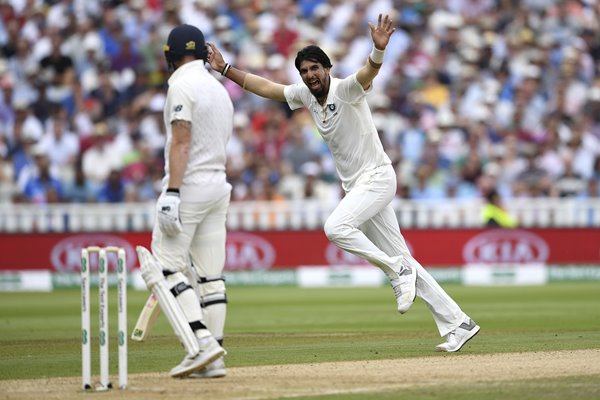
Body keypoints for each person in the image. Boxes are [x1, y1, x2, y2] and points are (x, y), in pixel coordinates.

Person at [208, 13, 479, 352]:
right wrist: (225, 68)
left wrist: (377, 51)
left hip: (378, 178)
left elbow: (368, 73)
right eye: (304, 72)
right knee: (404, 259)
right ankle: (459, 322)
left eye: (314, 69)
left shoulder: (346, 89)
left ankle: (396, 270)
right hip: (360, 188)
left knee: (335, 227)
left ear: (327, 68)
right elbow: (267, 88)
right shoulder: (307, 97)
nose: (309, 76)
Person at [136, 24, 232, 378]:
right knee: (210, 277)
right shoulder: (219, 89)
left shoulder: (181, 83)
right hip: (218, 185)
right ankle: (215, 359)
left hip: (189, 187)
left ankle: (202, 342)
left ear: (170, 56)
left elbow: (181, 140)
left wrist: (172, 192)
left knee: (163, 268)